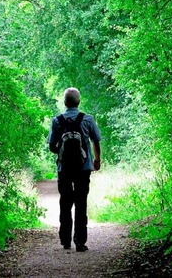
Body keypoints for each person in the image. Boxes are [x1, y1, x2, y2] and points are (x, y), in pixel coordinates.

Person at [47, 87, 101, 252]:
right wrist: (96, 160)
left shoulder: (57, 121)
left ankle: (65, 240)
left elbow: (51, 146)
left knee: (65, 202)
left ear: (65, 103)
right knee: (81, 203)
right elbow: (96, 141)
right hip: (83, 168)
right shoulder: (88, 119)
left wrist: (63, 153)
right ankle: (80, 242)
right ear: (78, 102)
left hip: (64, 169)